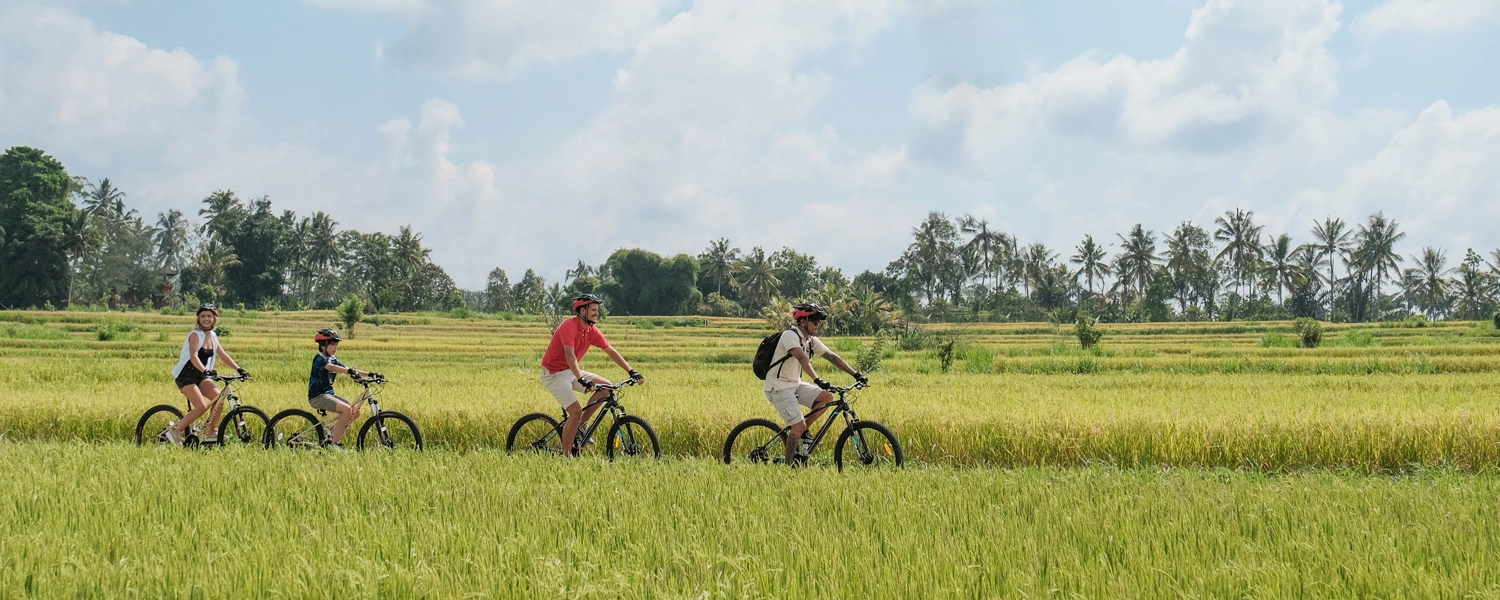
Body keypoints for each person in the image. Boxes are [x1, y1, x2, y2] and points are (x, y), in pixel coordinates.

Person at [763, 302, 867, 464]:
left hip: (794, 384)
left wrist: (856, 374)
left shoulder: (811, 341)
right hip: (778, 387)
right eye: (815, 322)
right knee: (797, 426)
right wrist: (817, 379)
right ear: (803, 322)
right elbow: (801, 357)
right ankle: (788, 465)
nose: (818, 325)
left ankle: (803, 431)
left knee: (827, 396)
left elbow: (833, 357)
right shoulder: (790, 336)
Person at [540, 294, 643, 457]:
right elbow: (569, 354)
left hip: (570, 371)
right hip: (554, 374)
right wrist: (581, 378)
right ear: (582, 310)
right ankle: (566, 458)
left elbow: (610, 351)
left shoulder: (591, 330)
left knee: (607, 387)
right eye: (593, 310)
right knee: (575, 411)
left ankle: (580, 426)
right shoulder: (569, 326)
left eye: (597, 310)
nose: (597, 313)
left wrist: (631, 371)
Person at [166, 303, 249, 445]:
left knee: (219, 400)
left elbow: (223, 355)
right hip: (186, 376)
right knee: (201, 407)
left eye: (209, 316)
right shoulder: (195, 335)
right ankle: (176, 432)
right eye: (203, 316)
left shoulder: (213, 336)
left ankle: (211, 432)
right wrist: (205, 370)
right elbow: (194, 356)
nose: (206, 319)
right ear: (198, 319)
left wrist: (240, 369)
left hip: (201, 376)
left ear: (214, 319)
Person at [308, 328, 373, 450]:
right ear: (323, 345)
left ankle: (330, 436)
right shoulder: (319, 358)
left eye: (336, 344)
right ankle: (334, 445)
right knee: (347, 410)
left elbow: (347, 369)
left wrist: (370, 374)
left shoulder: (332, 358)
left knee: (355, 412)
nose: (335, 347)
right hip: (317, 396)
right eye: (332, 344)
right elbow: (333, 367)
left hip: (328, 394)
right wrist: (349, 371)